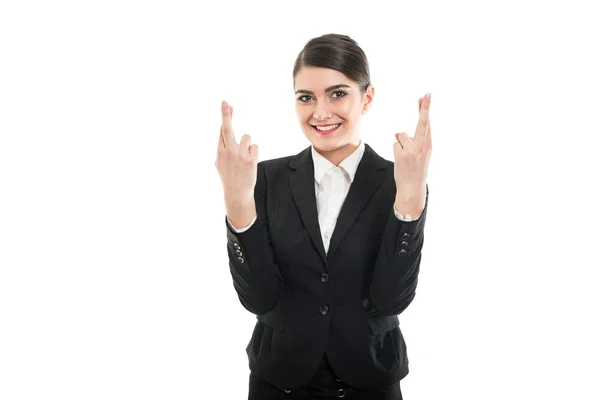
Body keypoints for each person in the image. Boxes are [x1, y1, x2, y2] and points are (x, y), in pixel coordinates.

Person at [215, 33, 432, 400]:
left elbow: (391, 300)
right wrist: (237, 200)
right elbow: (260, 299)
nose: (320, 112)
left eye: (337, 93)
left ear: (367, 97)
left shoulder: (399, 180)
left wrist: (410, 199)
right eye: (306, 97)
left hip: (370, 378)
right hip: (279, 380)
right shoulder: (264, 178)